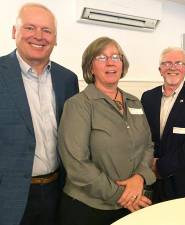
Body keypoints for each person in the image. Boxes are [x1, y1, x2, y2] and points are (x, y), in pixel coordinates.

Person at [58, 36, 156, 225]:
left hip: (131, 202)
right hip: (89, 208)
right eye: (101, 58)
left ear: (122, 63)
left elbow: (148, 146)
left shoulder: (134, 102)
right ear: (90, 67)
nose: (110, 62)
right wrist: (120, 194)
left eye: (115, 57)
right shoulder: (78, 105)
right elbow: (77, 164)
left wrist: (140, 178)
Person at [0, 3, 79, 225]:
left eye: (47, 30)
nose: (39, 36)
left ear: (55, 38)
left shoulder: (68, 80)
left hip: (58, 191)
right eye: (30, 28)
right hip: (8, 197)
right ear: (14, 32)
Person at [141, 47, 185, 203]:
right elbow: (142, 135)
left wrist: (160, 166)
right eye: (167, 63)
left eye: (178, 63)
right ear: (160, 70)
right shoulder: (147, 98)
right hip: (153, 181)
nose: (172, 67)